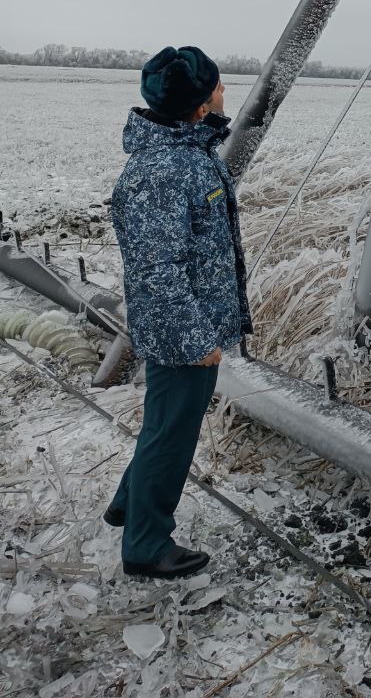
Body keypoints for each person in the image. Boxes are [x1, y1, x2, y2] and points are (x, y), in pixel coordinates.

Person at [106, 46, 252, 578]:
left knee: (163, 426)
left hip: (190, 323)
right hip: (181, 332)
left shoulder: (187, 152)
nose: (222, 91)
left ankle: (129, 505)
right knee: (172, 434)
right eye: (215, 84)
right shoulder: (164, 170)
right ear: (197, 102)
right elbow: (156, 272)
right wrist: (196, 339)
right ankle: (146, 544)